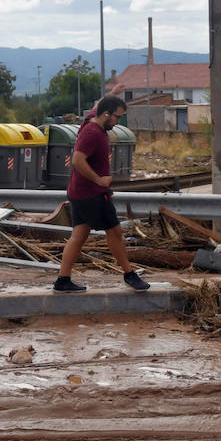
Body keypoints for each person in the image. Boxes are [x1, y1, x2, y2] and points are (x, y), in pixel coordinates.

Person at [53, 95, 150, 293]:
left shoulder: (92, 119)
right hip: (92, 193)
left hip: (79, 191)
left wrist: (114, 91)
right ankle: (129, 274)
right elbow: (77, 160)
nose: (118, 122)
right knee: (114, 232)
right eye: (117, 117)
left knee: (79, 235)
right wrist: (99, 180)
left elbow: (98, 104)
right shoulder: (92, 133)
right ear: (106, 114)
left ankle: (63, 279)